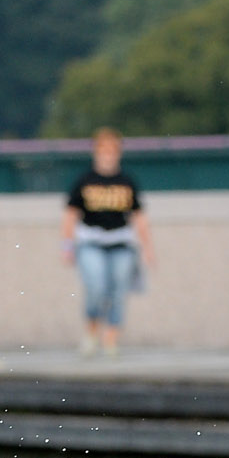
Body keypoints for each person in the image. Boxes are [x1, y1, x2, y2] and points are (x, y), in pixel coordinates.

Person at [62, 127, 150, 357]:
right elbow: (71, 214)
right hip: (91, 240)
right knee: (96, 286)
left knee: (119, 290)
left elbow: (138, 216)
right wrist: (67, 245)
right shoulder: (86, 180)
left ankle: (111, 338)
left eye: (113, 151)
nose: (108, 156)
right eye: (104, 151)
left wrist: (147, 247)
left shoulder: (126, 181)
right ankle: (91, 331)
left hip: (121, 241)